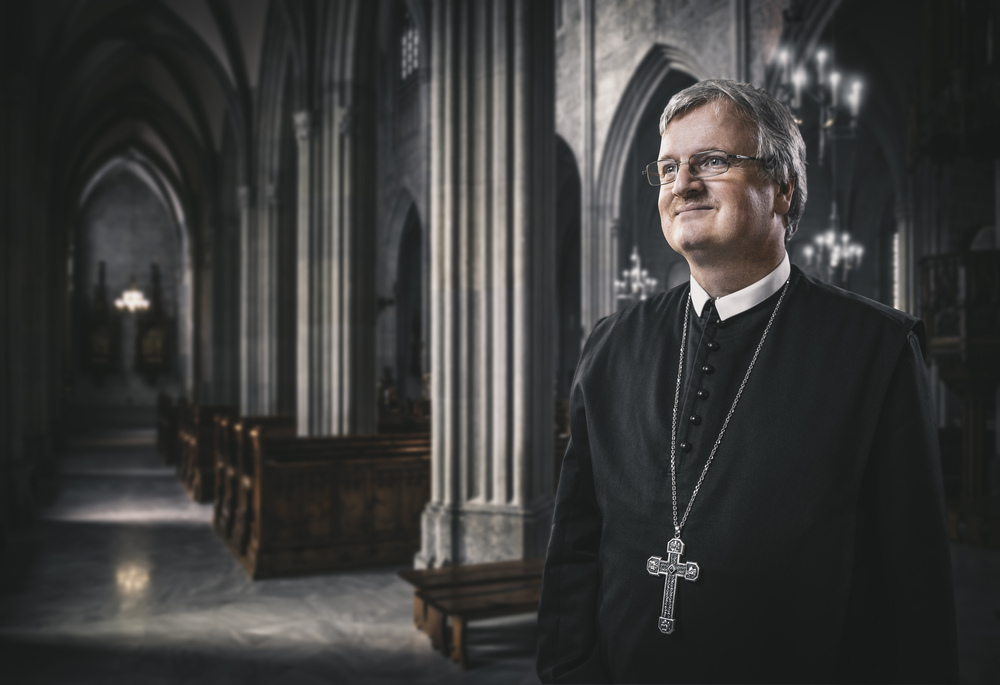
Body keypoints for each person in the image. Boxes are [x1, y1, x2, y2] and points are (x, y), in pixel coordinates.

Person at [536, 79, 958, 684]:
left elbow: (912, 591)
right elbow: (576, 545)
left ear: (782, 187)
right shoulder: (611, 345)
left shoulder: (877, 350)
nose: (683, 184)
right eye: (668, 167)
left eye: (712, 161)